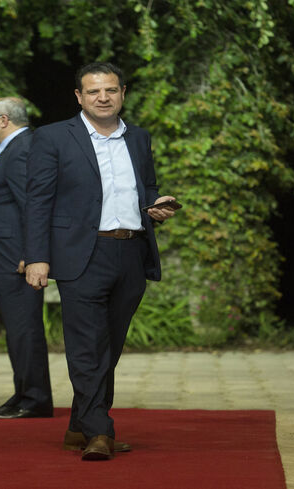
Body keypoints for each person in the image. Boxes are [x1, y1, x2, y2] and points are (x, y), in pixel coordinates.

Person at [24, 62, 179, 460]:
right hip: (81, 255)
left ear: (123, 92)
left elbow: (146, 187)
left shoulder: (139, 139)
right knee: (86, 347)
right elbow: (38, 202)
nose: (103, 97)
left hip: (131, 252)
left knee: (109, 348)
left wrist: (155, 206)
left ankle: (79, 425)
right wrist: (37, 258)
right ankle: (99, 432)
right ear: (79, 96)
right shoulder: (53, 137)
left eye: (110, 90)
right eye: (93, 92)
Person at [0, 97, 53, 419]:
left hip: (16, 259)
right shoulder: (12, 149)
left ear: (3, 120)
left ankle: (35, 399)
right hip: (3, 256)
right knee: (17, 329)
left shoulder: (23, 149)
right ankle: (23, 394)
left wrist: (31, 254)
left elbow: (32, 205)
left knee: (24, 328)